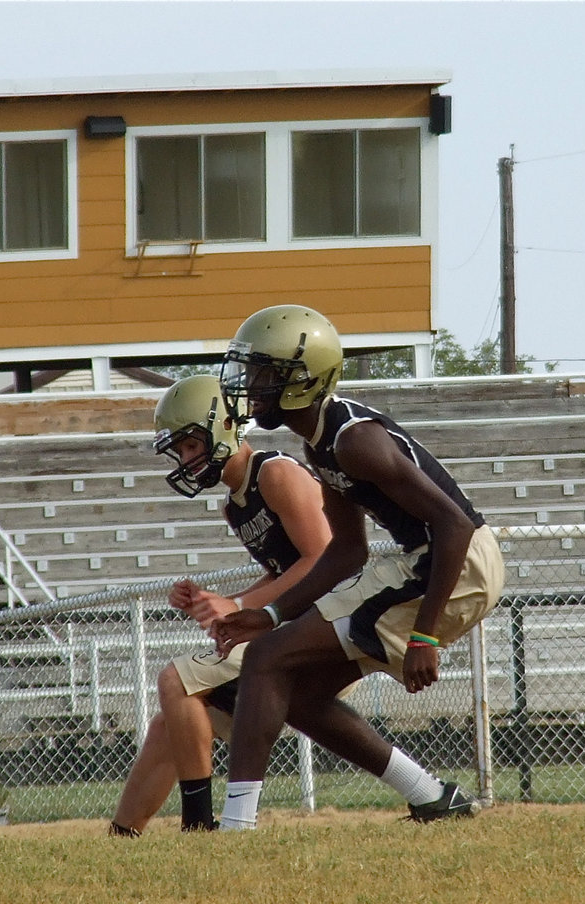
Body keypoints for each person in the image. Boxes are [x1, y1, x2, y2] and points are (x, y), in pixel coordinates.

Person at [109, 374, 469, 835]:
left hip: (336, 618)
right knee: (173, 724)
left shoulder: (274, 472)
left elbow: (325, 556)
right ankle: (123, 836)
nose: (186, 460)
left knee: (176, 680)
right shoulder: (234, 504)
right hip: (298, 621)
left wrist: (241, 604)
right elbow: (285, 570)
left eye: (190, 446)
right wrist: (212, 600)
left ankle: (199, 827)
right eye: (180, 452)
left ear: (221, 428)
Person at [209, 304, 505, 831]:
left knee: (267, 661)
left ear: (303, 379)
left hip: (455, 563)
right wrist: (272, 614)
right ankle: (433, 796)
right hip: (430, 559)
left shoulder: (353, 440)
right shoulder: (320, 444)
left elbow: (455, 524)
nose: (251, 386)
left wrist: (425, 637)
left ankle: (235, 826)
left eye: (263, 374)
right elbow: (348, 552)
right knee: (295, 692)